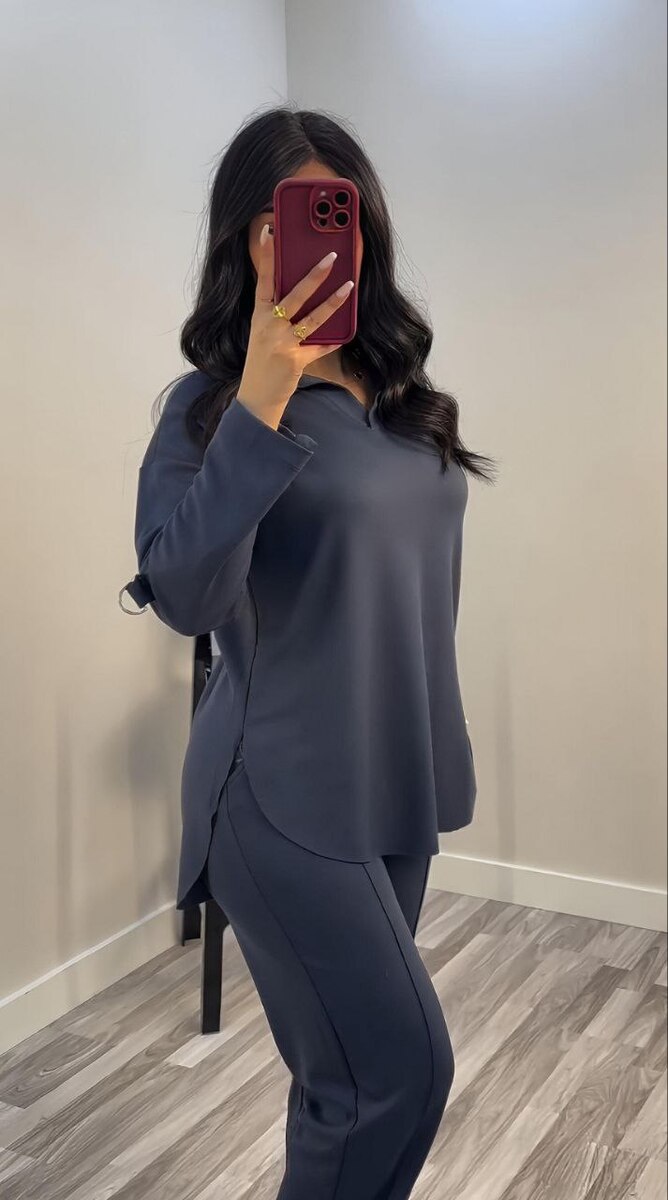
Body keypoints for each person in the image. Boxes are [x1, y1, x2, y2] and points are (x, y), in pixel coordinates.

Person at [125, 105, 495, 1199]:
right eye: (284, 222)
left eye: (343, 215)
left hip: (394, 779)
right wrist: (260, 397)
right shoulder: (206, 412)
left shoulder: (405, 402)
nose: (323, 241)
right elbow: (186, 597)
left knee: (336, 1082)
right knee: (397, 1077)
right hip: (277, 791)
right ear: (246, 241)